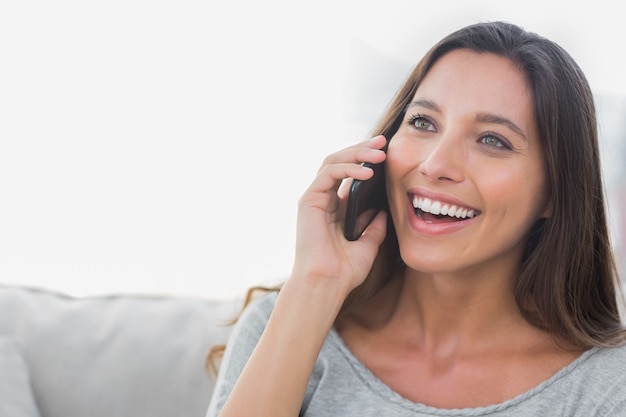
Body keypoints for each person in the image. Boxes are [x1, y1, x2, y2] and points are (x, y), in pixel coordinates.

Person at [206, 21, 626, 416]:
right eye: (423, 122)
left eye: (492, 140)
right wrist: (316, 285)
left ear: (556, 191)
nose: (435, 163)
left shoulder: (607, 388)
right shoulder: (285, 322)